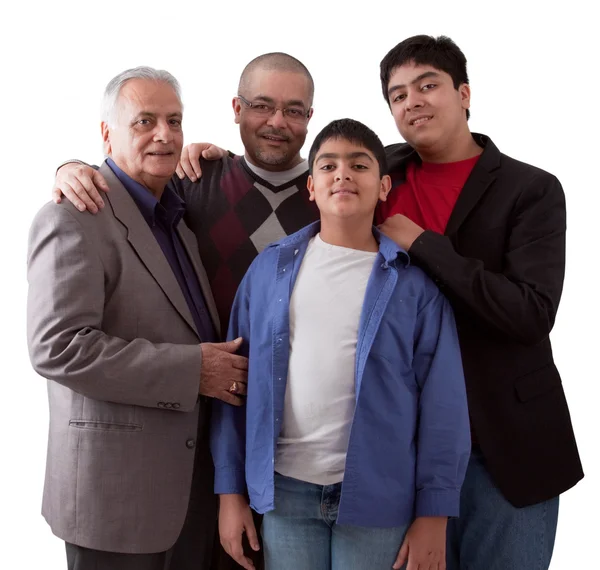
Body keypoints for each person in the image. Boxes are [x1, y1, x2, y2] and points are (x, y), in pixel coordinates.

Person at [212, 118, 470, 570]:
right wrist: (230, 493)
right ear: (311, 186)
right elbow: (234, 383)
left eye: (359, 164)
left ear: (384, 185)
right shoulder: (269, 271)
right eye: (328, 165)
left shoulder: (415, 286)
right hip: (285, 494)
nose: (343, 174)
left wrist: (435, 514)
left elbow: (443, 405)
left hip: (379, 497)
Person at [27, 66, 248, 570]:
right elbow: (57, 347)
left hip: (190, 488)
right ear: (107, 133)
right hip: (115, 498)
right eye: (144, 121)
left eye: (174, 120)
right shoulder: (72, 214)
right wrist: (195, 371)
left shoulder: (178, 217)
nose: (164, 134)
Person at [376, 35, 583, 569]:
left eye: (428, 85)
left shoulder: (531, 190)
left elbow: (530, 312)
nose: (413, 101)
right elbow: (311, 174)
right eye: (398, 95)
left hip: (505, 450)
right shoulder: (379, 175)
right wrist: (214, 160)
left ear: (464, 93)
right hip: (408, 448)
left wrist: (423, 244)